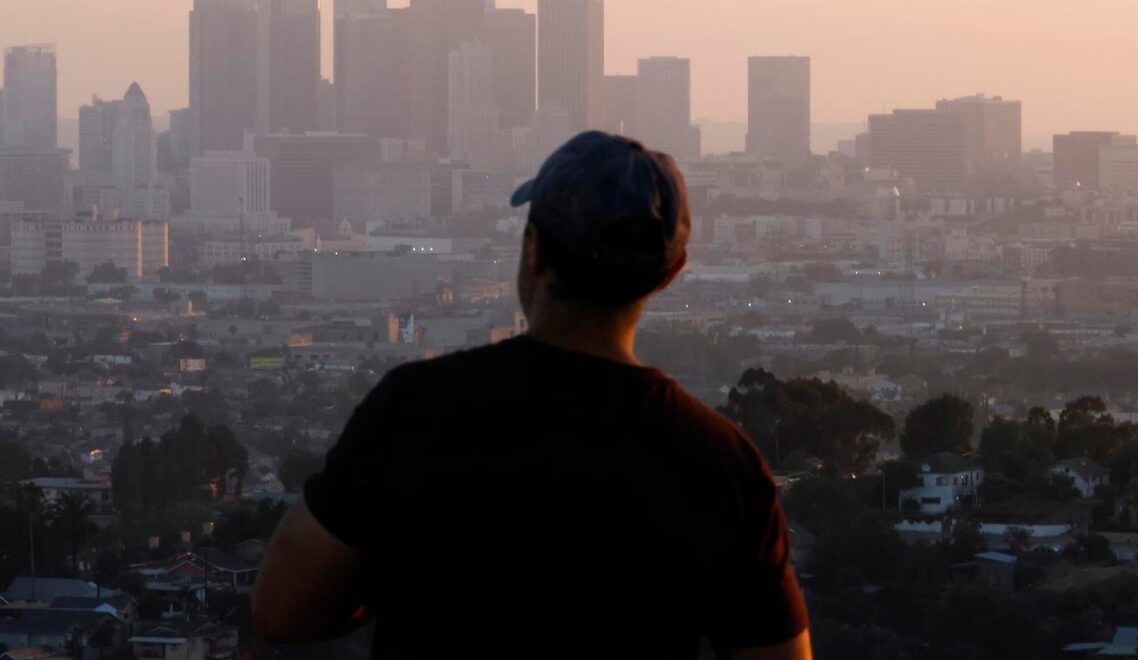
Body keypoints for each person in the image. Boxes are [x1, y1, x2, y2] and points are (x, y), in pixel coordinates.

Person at [253, 131, 811, 658]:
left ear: (534, 250)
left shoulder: (415, 412)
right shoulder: (719, 465)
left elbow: (281, 610)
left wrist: (399, 582)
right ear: (670, 273)